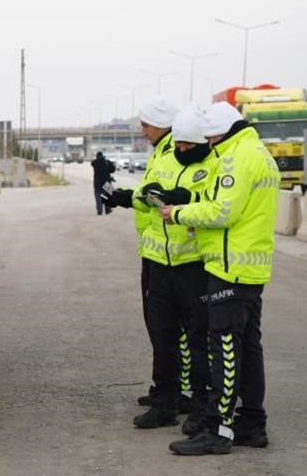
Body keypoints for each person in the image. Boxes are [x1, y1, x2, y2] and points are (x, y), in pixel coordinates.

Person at [161, 101, 280, 455]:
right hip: (249, 265)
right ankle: (252, 423)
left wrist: (179, 213)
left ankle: (219, 430)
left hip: (230, 267)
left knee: (225, 348)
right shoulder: (259, 152)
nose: (209, 143)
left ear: (223, 132)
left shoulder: (238, 156)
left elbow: (224, 210)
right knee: (248, 348)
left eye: (211, 137)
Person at [121, 105, 215, 434]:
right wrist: (132, 196)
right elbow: (148, 192)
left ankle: (202, 407)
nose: (182, 151)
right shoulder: (163, 159)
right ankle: (165, 402)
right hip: (159, 263)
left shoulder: (213, 166)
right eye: (179, 145)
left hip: (193, 266)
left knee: (198, 340)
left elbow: (213, 204)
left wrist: (183, 198)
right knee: (162, 336)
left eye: (189, 146)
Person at [101, 97, 182, 412]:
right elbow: (151, 194)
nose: (143, 130)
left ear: (162, 124)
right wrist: (124, 197)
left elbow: (163, 197)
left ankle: (174, 394)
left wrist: (130, 198)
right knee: (158, 326)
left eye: (147, 125)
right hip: (155, 249)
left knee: (167, 329)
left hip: (172, 253)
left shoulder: (175, 152)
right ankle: (168, 388)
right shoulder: (162, 152)